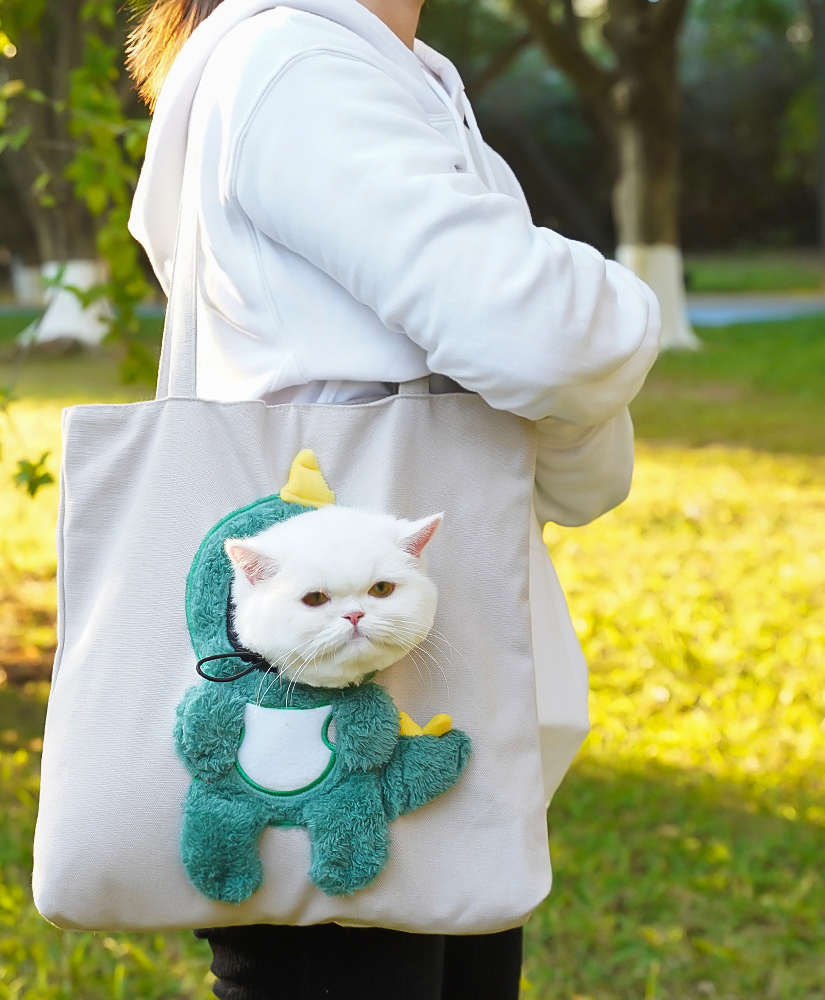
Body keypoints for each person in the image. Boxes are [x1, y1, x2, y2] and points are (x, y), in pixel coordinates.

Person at [125, 0, 661, 995]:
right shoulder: (293, 64)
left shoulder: (398, 71)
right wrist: (633, 311)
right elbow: (544, 339)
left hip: (446, 711)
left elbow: (565, 428)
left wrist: (564, 380)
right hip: (339, 713)